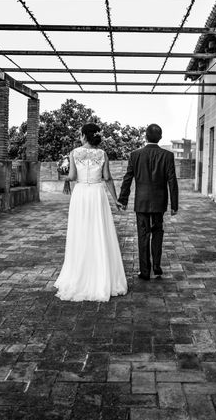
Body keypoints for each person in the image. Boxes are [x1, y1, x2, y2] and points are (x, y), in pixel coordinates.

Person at [54, 123, 128, 302]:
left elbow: (71, 177)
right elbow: (108, 178)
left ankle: (79, 277)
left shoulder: (74, 153)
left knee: (80, 233)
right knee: (99, 232)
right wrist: (116, 199)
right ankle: (101, 277)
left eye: (80, 134)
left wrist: (62, 172)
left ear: (84, 136)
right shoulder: (102, 154)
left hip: (80, 194)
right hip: (97, 194)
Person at [118, 124, 178, 281]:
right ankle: (157, 267)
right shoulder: (168, 155)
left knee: (143, 235)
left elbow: (128, 178)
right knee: (158, 233)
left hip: (142, 202)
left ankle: (145, 271)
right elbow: (172, 181)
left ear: (145, 136)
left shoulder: (135, 154)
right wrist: (174, 204)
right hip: (159, 202)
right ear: (160, 137)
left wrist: (122, 200)